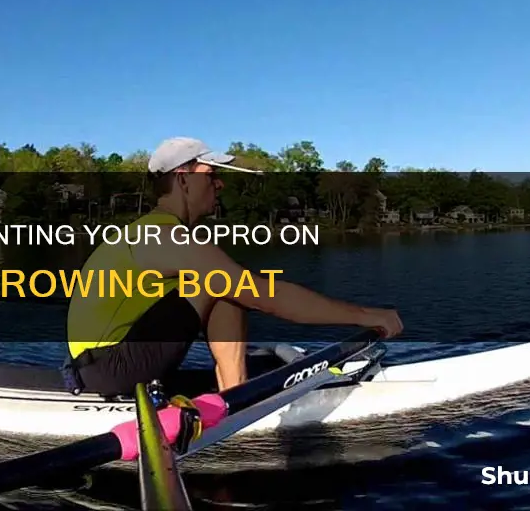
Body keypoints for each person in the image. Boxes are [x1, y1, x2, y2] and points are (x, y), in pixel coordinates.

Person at [65, 137, 403, 397]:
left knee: (223, 283)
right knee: (230, 288)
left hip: (97, 364)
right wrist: (365, 315)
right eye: (211, 176)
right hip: (110, 368)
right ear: (183, 180)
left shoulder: (151, 231)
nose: (219, 184)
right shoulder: (163, 236)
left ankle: (231, 386)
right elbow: (267, 296)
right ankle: (235, 396)